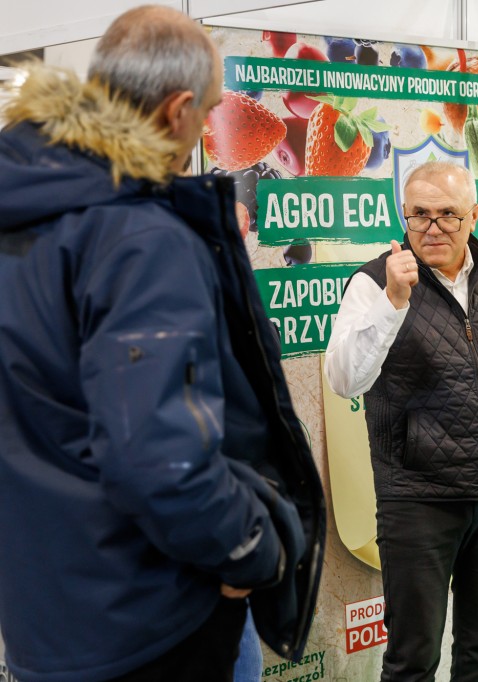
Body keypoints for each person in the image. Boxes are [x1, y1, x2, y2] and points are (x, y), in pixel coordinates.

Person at [0, 6, 325, 681]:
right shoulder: (140, 237)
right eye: (205, 113)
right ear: (177, 111)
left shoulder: (26, 211)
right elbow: (159, 460)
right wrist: (251, 549)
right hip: (151, 619)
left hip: (44, 621)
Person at [324, 161, 478, 682]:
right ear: (404, 214)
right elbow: (344, 380)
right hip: (419, 500)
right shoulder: (375, 282)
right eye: (419, 215)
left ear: (474, 216)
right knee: (413, 661)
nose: (433, 228)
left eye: (448, 215)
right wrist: (394, 302)